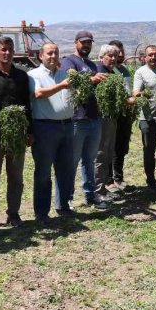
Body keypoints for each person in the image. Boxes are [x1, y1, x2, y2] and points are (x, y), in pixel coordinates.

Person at [0, 37, 33, 229]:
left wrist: (29, 130)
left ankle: (13, 214)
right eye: (3, 49)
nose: (7, 53)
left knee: (16, 177)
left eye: (10, 49)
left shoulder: (22, 76)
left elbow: (28, 106)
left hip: (17, 134)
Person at [60, 30, 110, 210]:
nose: (86, 45)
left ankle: (91, 196)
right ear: (76, 43)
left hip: (93, 117)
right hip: (77, 118)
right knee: (72, 161)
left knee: (89, 160)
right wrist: (91, 79)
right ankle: (67, 199)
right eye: (83, 42)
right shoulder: (68, 61)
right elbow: (71, 80)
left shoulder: (92, 64)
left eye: (89, 42)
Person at [28, 43, 76, 224]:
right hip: (45, 127)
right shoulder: (33, 75)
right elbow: (38, 94)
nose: (53, 56)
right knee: (43, 171)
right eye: (49, 53)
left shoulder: (65, 75)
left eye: (56, 53)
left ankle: (63, 205)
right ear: (41, 56)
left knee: (65, 169)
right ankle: (41, 212)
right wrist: (63, 86)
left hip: (67, 125)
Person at [94, 44, 122, 201]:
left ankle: (103, 187)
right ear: (101, 57)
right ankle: (97, 190)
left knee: (108, 154)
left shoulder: (114, 72)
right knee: (100, 155)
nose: (113, 59)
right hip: (101, 119)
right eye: (109, 56)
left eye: (115, 56)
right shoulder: (99, 73)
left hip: (111, 118)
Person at [133, 44, 156, 188]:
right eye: (150, 55)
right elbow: (135, 93)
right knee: (149, 149)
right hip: (146, 117)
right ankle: (150, 180)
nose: (153, 57)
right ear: (145, 57)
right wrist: (144, 94)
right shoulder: (141, 72)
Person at [108, 39, 133, 189]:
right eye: (118, 52)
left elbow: (128, 91)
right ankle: (109, 180)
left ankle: (118, 178)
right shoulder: (107, 71)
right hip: (112, 115)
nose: (121, 54)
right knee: (110, 146)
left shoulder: (124, 70)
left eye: (122, 51)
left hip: (125, 114)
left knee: (121, 147)